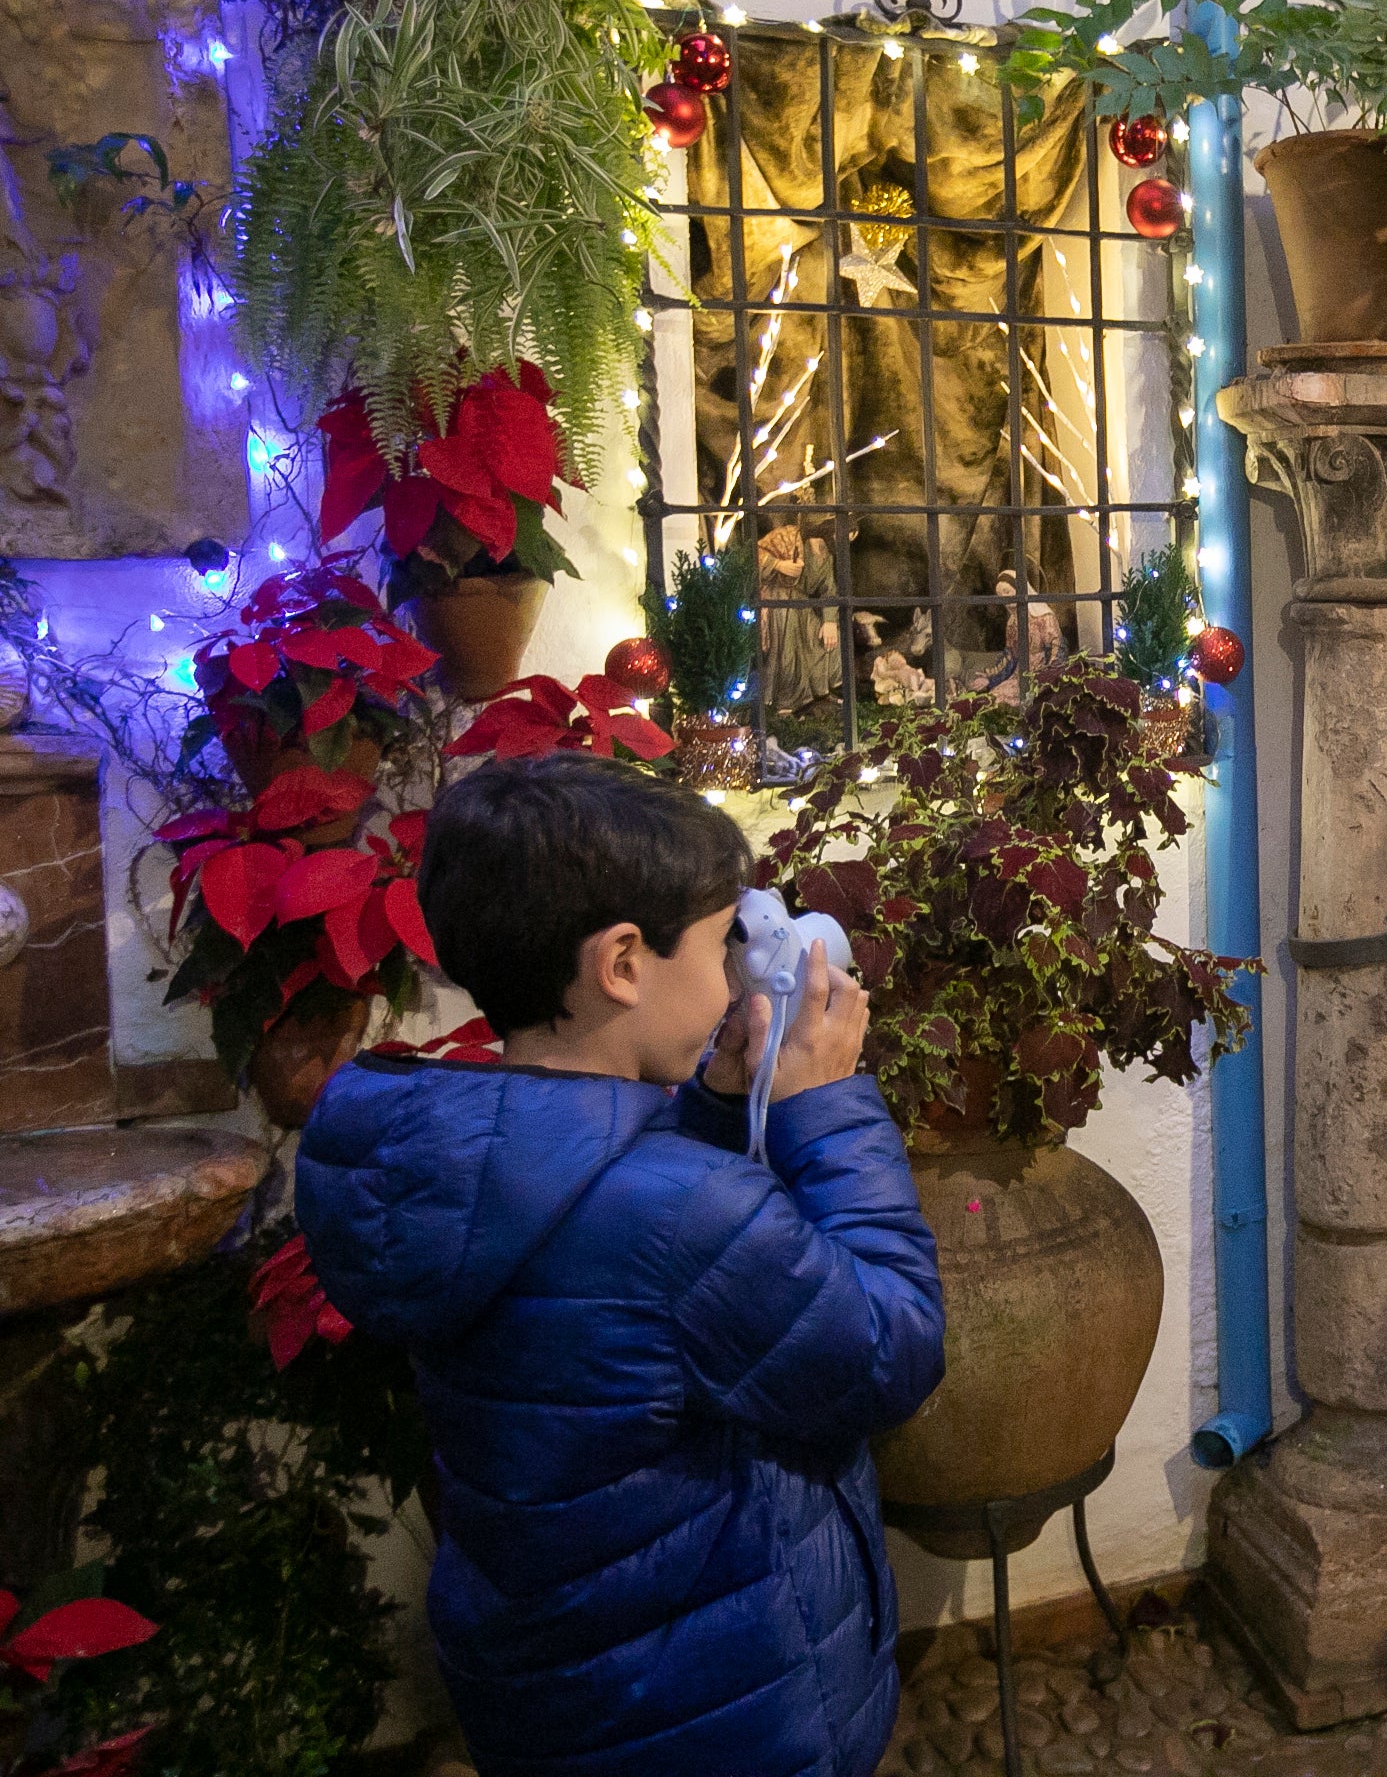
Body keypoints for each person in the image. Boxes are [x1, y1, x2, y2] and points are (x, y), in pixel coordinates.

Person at [294, 754, 945, 1777]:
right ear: (624, 961)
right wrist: (829, 1107)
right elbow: (889, 1350)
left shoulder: (465, 1166)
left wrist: (717, 1108)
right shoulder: (683, 1215)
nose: (738, 965)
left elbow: (607, 1264)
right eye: (722, 938)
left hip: (563, 1696)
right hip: (725, 1715)